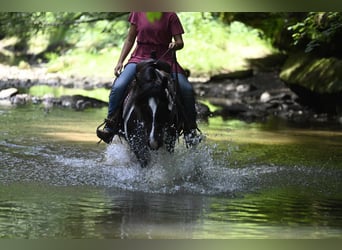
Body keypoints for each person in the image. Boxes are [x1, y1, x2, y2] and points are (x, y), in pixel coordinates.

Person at [97, 12, 200, 146]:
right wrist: (120, 61)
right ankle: (110, 126)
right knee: (119, 86)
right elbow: (130, 39)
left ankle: (190, 130)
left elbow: (180, 42)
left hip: (165, 58)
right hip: (140, 57)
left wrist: (175, 45)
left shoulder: (171, 16)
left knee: (186, 89)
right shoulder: (137, 13)